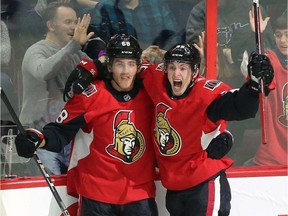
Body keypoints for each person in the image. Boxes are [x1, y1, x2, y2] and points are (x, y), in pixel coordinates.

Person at [62, 40, 275, 215]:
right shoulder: (155, 79)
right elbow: (119, 60)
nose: (176, 74)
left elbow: (239, 107)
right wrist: (88, 68)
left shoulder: (206, 93)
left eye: (183, 68)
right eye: (172, 67)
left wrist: (254, 84)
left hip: (203, 185)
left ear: (195, 72)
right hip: (175, 189)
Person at [16, 34, 159, 216]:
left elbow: (177, 84)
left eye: (131, 64)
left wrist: (91, 66)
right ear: (109, 66)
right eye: (119, 64)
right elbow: (60, 131)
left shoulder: (151, 93)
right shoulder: (92, 95)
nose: (126, 71)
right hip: (97, 194)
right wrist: (36, 139)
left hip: (140, 193)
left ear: (138, 66)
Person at [19, 2, 94, 175]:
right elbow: (43, 72)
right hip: (39, 136)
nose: (74, 27)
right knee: (45, 197)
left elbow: (99, 69)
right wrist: (74, 44)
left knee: (70, 195)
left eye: (76, 22)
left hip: (68, 135)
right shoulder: (36, 51)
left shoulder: (78, 54)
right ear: (51, 25)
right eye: (68, 22)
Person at [243, 11, 287, 166]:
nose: (282, 40)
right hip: (271, 157)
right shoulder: (271, 60)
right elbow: (254, 65)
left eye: (287, 35)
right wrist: (256, 36)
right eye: (278, 35)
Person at [186, 0, 274, 68]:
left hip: (246, 74)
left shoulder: (253, 9)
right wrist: (222, 55)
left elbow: (269, 48)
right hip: (215, 73)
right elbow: (194, 51)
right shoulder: (201, 11)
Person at [90, 0, 183, 50]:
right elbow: (100, 45)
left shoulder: (157, 3)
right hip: (124, 67)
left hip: (158, 63)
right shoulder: (105, 7)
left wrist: (163, 52)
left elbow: (174, 35)